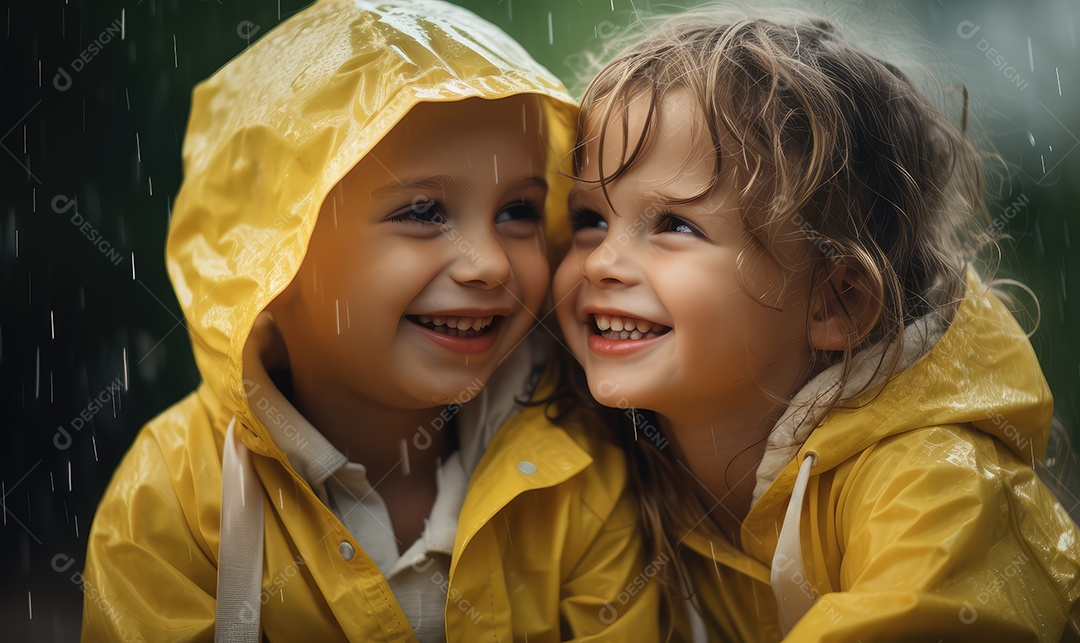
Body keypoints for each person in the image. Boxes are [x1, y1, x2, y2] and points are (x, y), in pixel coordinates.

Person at [81, 1, 659, 640]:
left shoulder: (579, 472)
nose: (490, 264)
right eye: (422, 212)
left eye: (519, 210)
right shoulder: (174, 502)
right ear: (269, 254)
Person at [552, 9, 1080, 641]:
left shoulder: (934, 486)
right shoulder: (600, 453)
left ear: (837, 304)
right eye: (588, 218)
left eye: (675, 225)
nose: (604, 262)